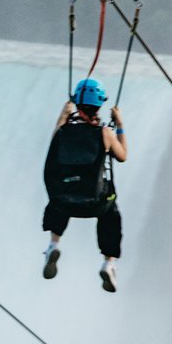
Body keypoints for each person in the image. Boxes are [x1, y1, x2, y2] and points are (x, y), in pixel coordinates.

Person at [42, 77, 128, 292]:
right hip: (95, 203)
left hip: (65, 204)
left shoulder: (62, 132)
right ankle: (108, 263)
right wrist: (119, 124)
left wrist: (64, 113)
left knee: (60, 195)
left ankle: (54, 244)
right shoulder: (104, 133)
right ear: (99, 105)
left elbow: (56, 134)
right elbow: (123, 156)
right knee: (111, 212)